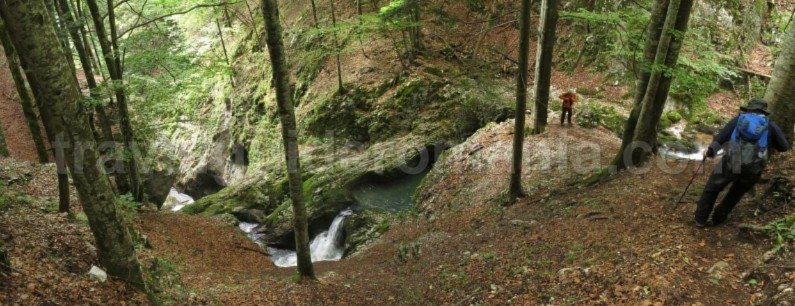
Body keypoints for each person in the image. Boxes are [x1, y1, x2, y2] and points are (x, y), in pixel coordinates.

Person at [694, 99, 790, 227]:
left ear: (749, 109)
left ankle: (700, 219)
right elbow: (784, 146)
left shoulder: (738, 120)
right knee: (735, 194)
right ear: (763, 112)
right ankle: (718, 219)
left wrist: (710, 152)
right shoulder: (770, 125)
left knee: (712, 189)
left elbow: (722, 137)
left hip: (730, 162)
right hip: (753, 168)